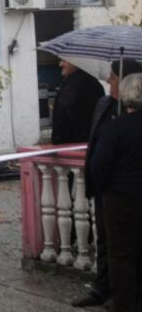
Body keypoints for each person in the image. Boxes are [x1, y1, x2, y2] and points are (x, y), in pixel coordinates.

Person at [74, 58, 142, 308]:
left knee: (124, 250)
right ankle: (102, 287)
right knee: (104, 241)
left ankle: (125, 297)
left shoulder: (128, 115)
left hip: (120, 191)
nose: (108, 80)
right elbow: (96, 146)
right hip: (106, 191)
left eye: (112, 76)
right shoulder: (104, 104)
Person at [51, 58, 105, 145]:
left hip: (74, 144)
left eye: (64, 61)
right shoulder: (71, 81)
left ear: (76, 62)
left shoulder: (83, 83)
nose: (60, 64)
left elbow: (66, 113)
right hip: (72, 143)